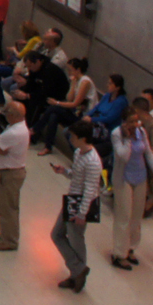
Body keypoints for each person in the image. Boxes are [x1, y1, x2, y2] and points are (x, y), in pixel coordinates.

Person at [48, 119, 102, 291]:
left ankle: (77, 274)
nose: (70, 139)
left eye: (73, 137)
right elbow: (78, 175)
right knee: (57, 234)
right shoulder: (79, 153)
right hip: (73, 199)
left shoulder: (93, 161)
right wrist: (65, 171)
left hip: (81, 204)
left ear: (82, 138)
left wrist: (82, 213)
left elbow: (90, 189)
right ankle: (78, 269)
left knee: (76, 239)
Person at [107, 99, 153, 270]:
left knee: (137, 216)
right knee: (124, 216)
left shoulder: (142, 132)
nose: (135, 124)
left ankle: (131, 248)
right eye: (132, 122)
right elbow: (123, 156)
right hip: (123, 179)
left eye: (136, 121)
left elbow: (148, 153)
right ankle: (119, 254)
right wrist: (127, 138)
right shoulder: (116, 134)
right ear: (124, 122)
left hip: (140, 177)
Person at [0, 95, 30, 250]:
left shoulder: (14, 132)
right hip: (11, 172)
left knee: (8, 208)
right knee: (5, 206)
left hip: (10, 174)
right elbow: (0, 145)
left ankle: (10, 240)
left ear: (13, 115)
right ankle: (7, 232)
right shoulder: (17, 128)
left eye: (7, 113)